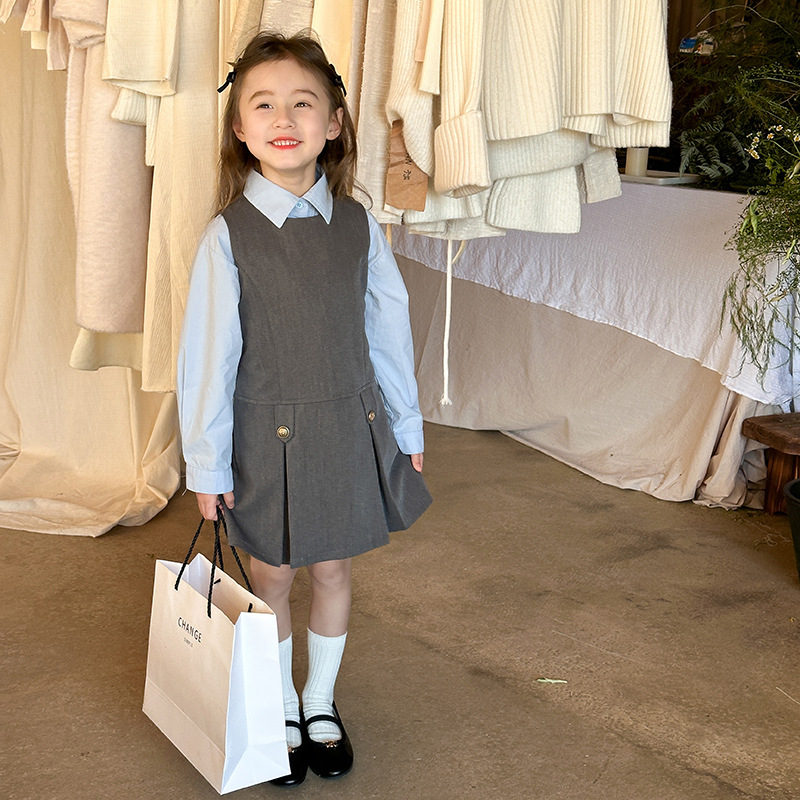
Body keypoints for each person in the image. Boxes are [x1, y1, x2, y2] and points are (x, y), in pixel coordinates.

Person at [176, 30, 432, 787]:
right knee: (273, 575)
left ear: (334, 123)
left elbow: (388, 330)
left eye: (303, 103)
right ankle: (279, 707)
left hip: (346, 426)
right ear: (239, 127)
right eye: (263, 105)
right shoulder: (228, 235)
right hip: (267, 434)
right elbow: (209, 360)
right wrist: (208, 464)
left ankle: (318, 702)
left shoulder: (358, 226)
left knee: (333, 567)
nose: (283, 119)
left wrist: (407, 424)